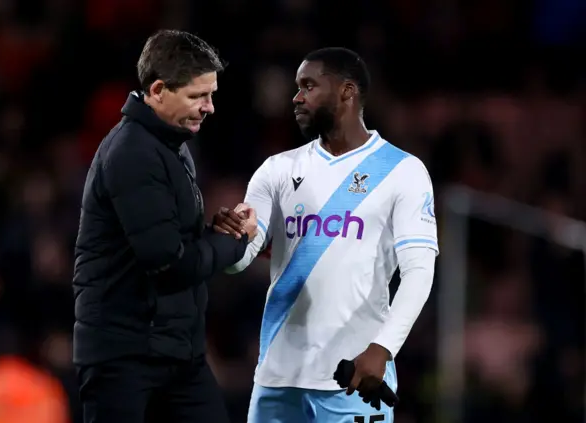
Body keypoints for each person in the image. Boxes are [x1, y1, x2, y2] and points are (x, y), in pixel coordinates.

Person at [213, 47, 438, 422]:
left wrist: (382, 348)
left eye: (308, 86)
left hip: (355, 376)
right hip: (276, 379)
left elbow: (419, 271)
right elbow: (243, 258)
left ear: (347, 91)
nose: (296, 98)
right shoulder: (277, 170)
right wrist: (231, 237)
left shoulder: (403, 171)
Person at [73, 29, 258, 423]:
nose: (209, 107)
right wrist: (235, 241)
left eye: (211, 95)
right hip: (124, 358)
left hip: (175, 352)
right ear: (158, 90)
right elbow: (169, 263)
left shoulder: (172, 146)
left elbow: (175, 241)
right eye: (198, 96)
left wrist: (215, 230)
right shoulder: (133, 153)